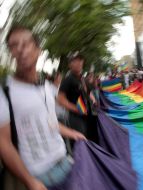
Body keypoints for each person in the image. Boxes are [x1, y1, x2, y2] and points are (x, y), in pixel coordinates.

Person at [0, 26, 86, 190]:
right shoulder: (4, 92)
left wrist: (73, 134)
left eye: (26, 43)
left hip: (66, 162)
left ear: (38, 50)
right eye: (14, 45)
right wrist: (29, 181)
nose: (20, 48)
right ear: (11, 53)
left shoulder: (46, 87)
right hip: (38, 177)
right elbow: (3, 143)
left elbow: (51, 122)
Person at [58, 54, 97, 144]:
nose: (78, 63)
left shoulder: (82, 79)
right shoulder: (68, 79)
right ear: (70, 64)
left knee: (90, 140)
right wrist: (76, 108)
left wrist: (93, 99)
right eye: (75, 61)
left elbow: (88, 92)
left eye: (80, 60)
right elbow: (60, 99)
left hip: (87, 115)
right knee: (81, 143)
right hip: (76, 118)